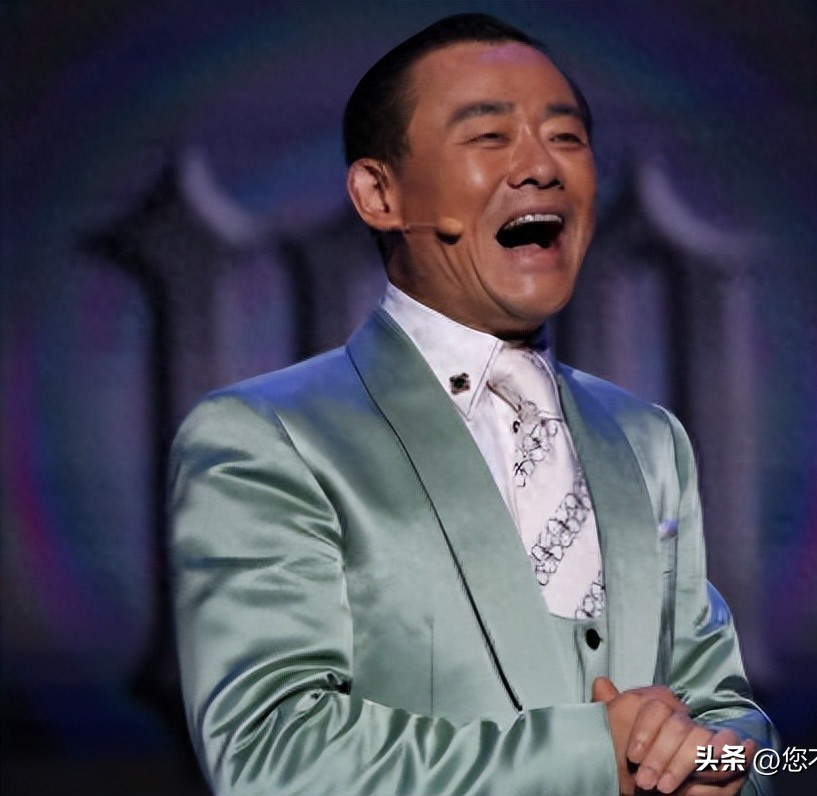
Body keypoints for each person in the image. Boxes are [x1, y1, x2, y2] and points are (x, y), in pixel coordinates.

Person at [169, 13, 777, 796]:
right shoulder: (269, 438)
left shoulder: (645, 438)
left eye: (566, 137)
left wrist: (718, 768)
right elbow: (274, 757)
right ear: (379, 193)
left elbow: (724, 707)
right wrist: (596, 757)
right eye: (490, 137)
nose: (541, 167)